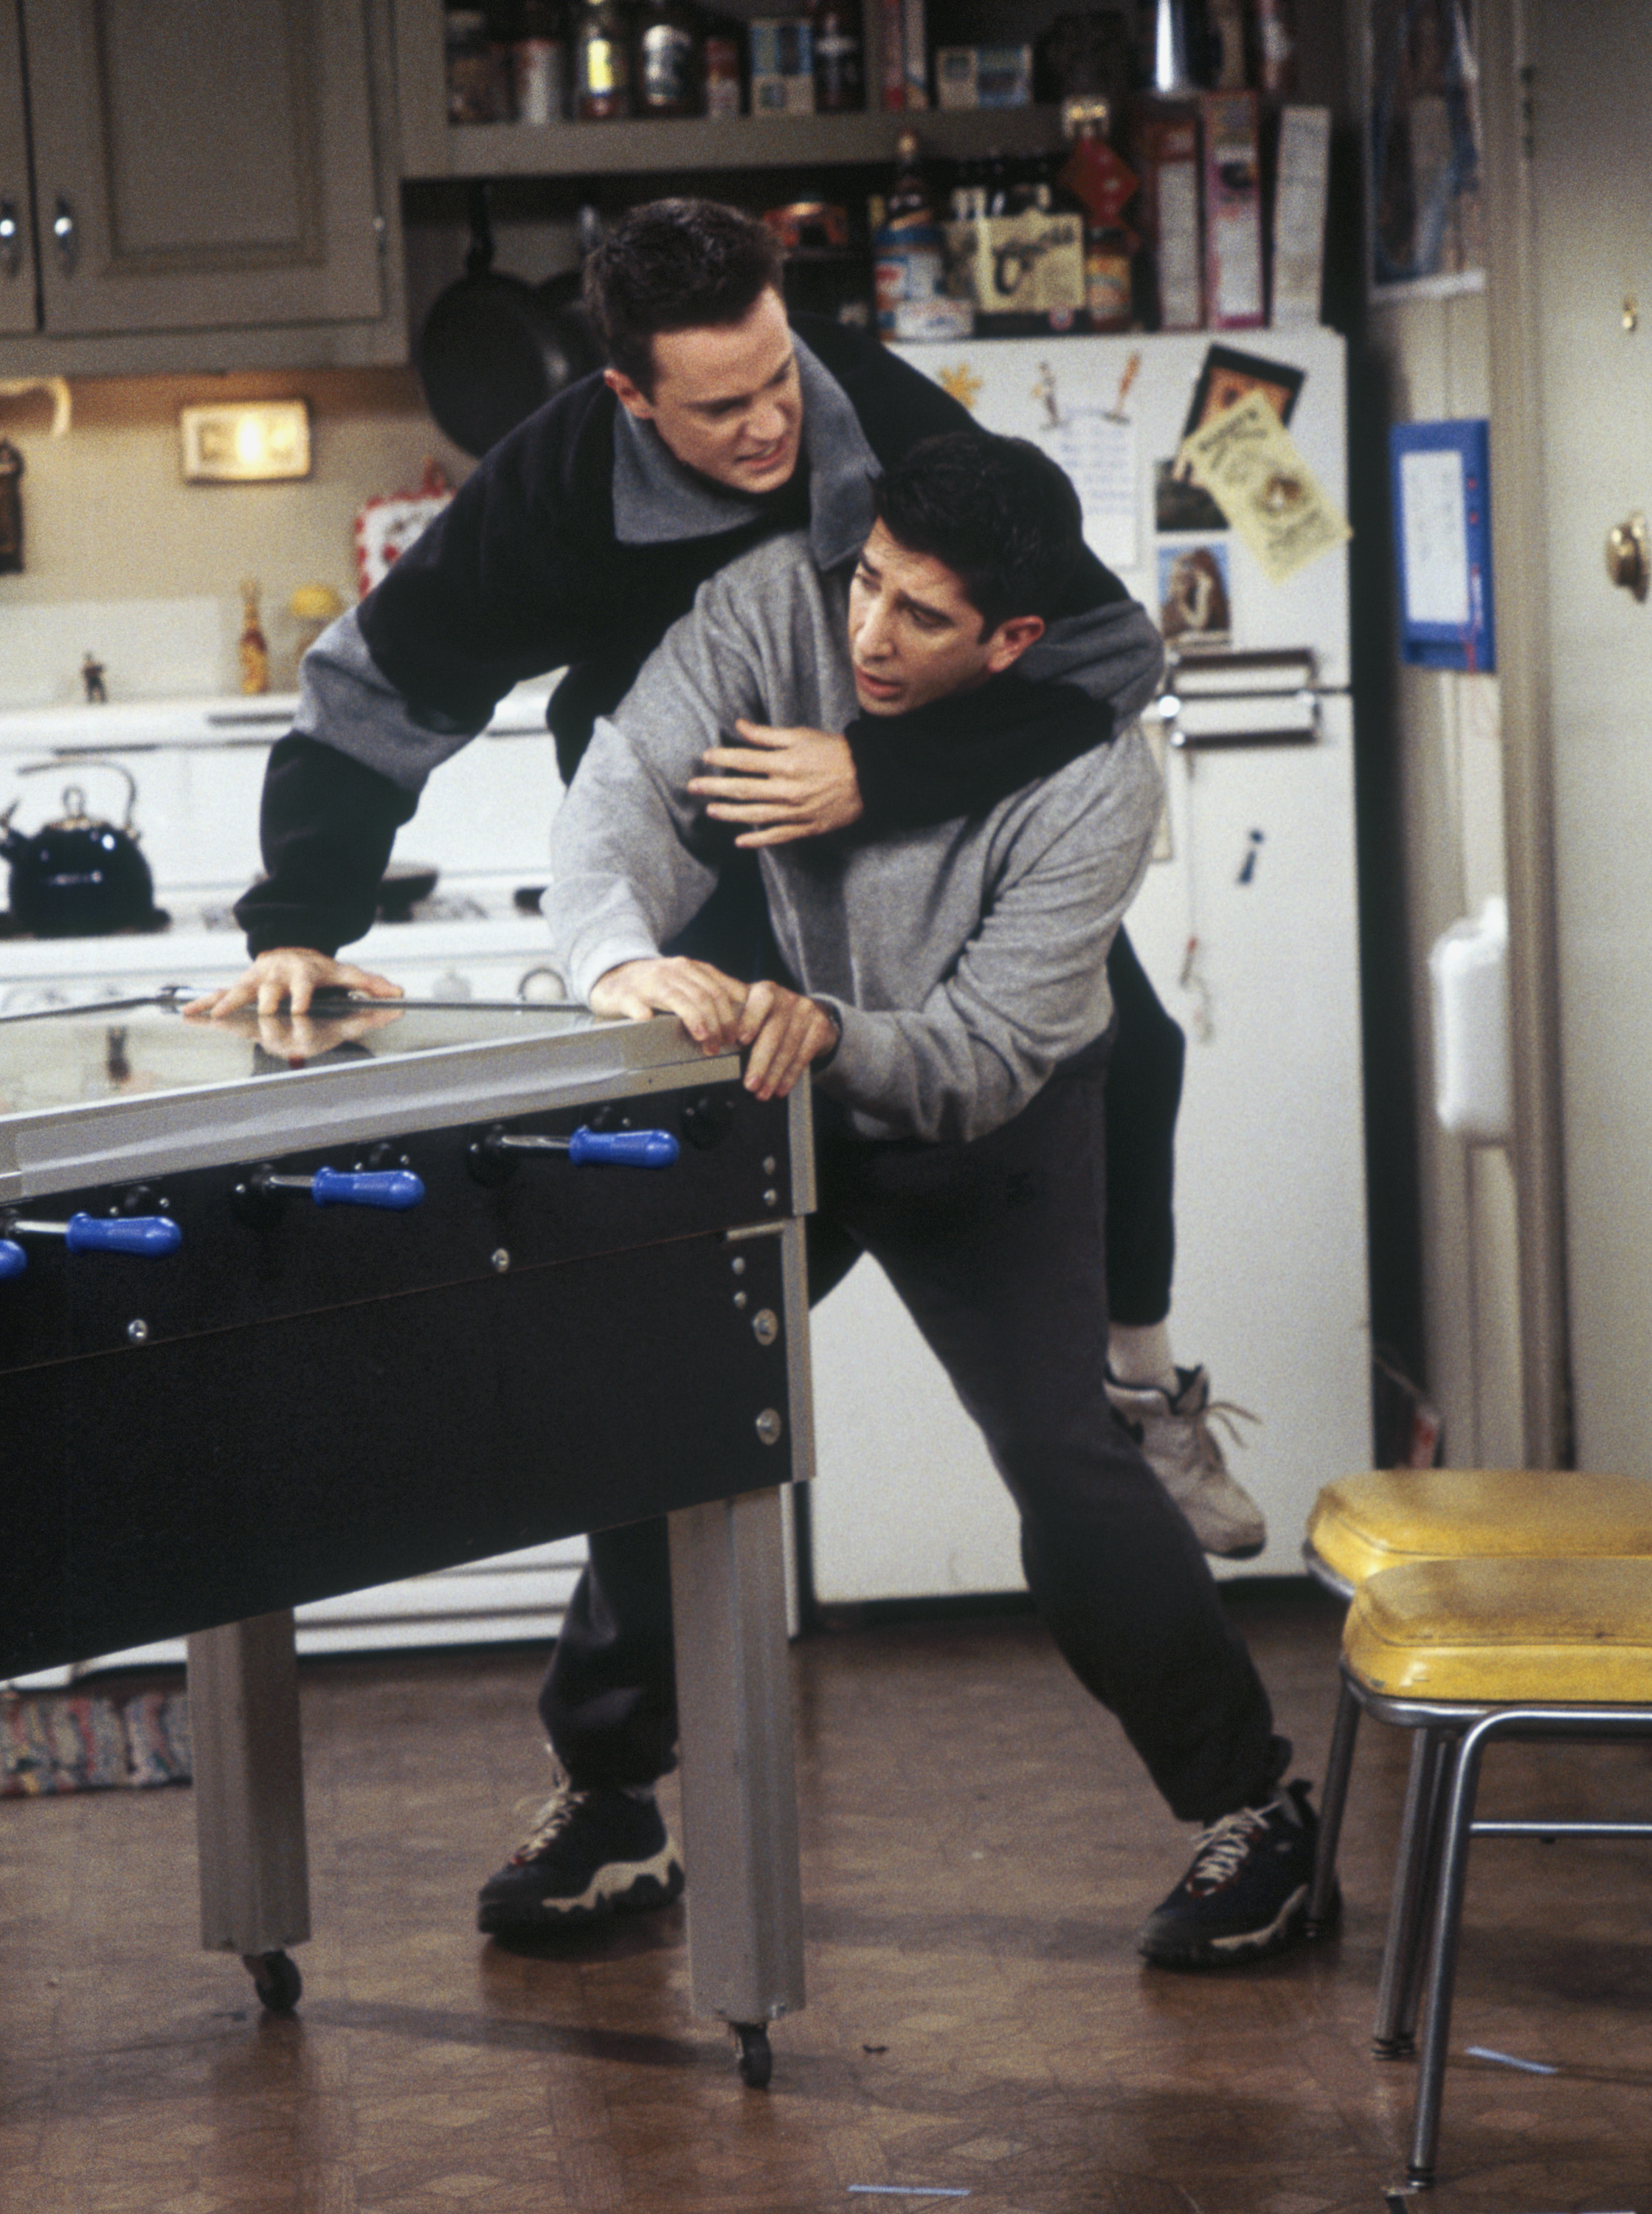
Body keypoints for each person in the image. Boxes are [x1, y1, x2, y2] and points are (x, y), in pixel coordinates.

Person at [187, 196, 1262, 1561]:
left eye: (778, 380)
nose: (770, 427)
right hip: (704, 857)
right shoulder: (552, 487)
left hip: (918, 822)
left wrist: (877, 773)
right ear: (630, 396)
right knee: (688, 1280)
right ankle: (639, 1610)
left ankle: (1141, 1391)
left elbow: (1109, 655)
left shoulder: (871, 406)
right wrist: (298, 920)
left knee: (1137, 1045)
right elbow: (378, 692)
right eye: (721, 407)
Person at [485, 429, 1327, 1970]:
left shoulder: (1093, 783)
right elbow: (618, 796)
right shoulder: (770, 608)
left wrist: (836, 1032)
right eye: (866, 583)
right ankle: (609, 1796)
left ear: (1012, 639)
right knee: (655, 1403)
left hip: (989, 1120)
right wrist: (616, 958)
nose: (867, 634)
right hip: (768, 1080)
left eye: (920, 615)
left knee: (1065, 1458)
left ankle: (1256, 1814)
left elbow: (986, 1056)